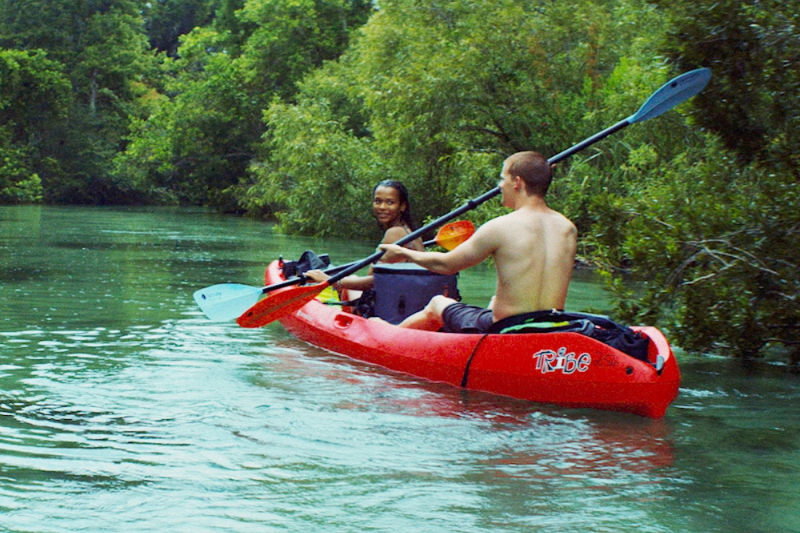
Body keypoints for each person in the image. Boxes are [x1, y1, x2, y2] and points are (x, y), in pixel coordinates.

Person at [379, 151, 577, 333]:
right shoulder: (567, 228)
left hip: (507, 328)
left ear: (517, 182)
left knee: (438, 303)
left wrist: (404, 253)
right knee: (493, 301)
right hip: (552, 326)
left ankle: (390, 336)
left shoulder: (501, 226)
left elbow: (446, 264)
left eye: (502, 178)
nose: (500, 186)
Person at [305, 180, 424, 292]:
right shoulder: (411, 232)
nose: (382, 207)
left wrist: (331, 281)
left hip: (395, 305)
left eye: (390, 202)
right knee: (353, 277)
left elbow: (377, 281)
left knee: (348, 283)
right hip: (403, 299)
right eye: (378, 201)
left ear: (402, 206)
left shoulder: (395, 233)